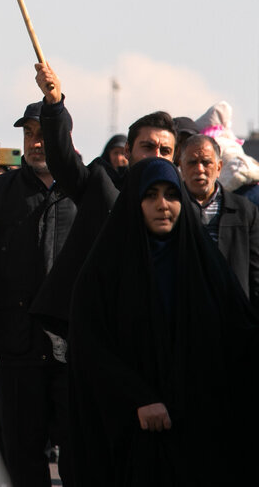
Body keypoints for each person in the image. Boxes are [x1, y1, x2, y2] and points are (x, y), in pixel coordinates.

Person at [68, 158, 259, 486]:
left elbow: (238, 336)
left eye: (171, 194)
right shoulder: (106, 269)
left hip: (200, 433)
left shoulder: (205, 266)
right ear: (134, 201)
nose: (162, 205)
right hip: (133, 434)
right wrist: (139, 397)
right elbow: (90, 346)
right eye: (151, 195)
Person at [0, 101, 76, 487]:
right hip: (16, 347)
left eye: (44, 134)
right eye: (29, 135)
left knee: (79, 457)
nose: (36, 143)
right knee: (21, 459)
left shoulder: (86, 190)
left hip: (74, 350)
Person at [29, 61, 177, 336]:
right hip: (97, 327)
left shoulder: (185, 209)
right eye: (147, 146)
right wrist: (54, 104)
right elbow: (63, 161)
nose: (156, 155)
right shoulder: (102, 184)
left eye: (165, 150)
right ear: (128, 151)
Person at [177, 133, 259, 308]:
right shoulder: (171, 210)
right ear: (181, 168)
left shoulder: (244, 211)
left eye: (206, 162)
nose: (199, 169)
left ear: (219, 167)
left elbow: (256, 274)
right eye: (192, 162)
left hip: (234, 319)